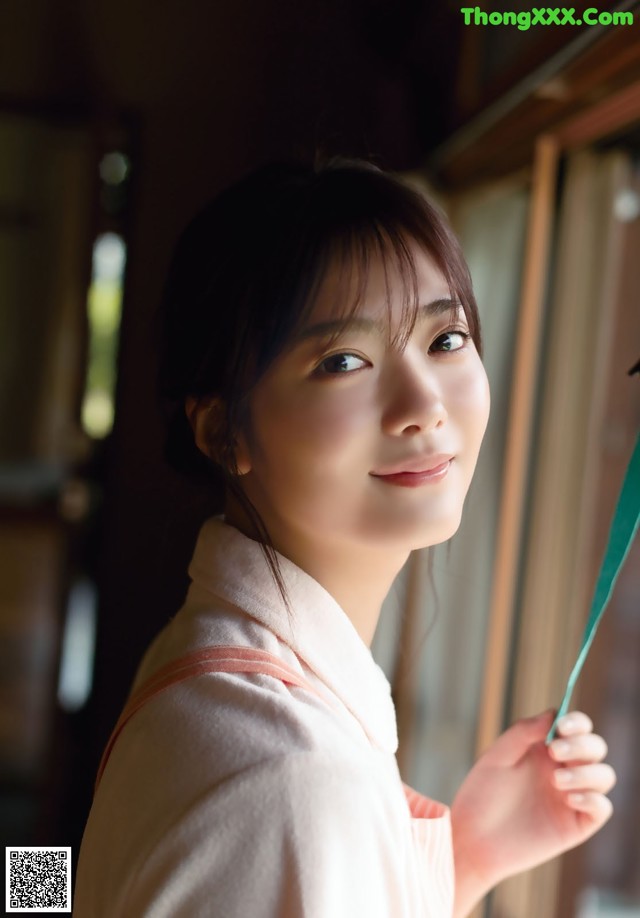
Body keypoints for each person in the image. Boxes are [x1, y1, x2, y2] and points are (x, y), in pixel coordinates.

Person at [74, 158, 616, 917]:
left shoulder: (210, 673)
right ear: (225, 430)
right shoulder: (290, 775)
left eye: (446, 338)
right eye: (344, 361)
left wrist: (468, 855)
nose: (423, 404)